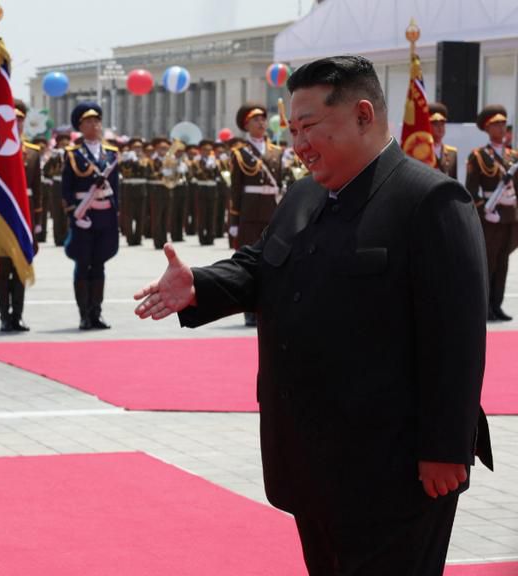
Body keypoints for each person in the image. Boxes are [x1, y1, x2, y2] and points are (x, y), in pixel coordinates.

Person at [134, 55, 493, 576]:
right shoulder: (305, 193)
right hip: (310, 460)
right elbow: (262, 264)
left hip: (393, 467)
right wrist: (199, 286)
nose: (297, 143)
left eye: (309, 128)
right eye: (291, 128)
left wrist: (446, 446)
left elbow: (457, 338)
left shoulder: (431, 201)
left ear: (363, 115)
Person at [62, 102, 119, 330]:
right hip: (83, 215)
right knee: (82, 263)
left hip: (104, 216)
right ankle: (84, 314)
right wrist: (72, 214)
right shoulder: (73, 154)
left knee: (99, 264)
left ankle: (97, 312)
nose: (94, 125)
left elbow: (116, 188)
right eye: (88, 122)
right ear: (80, 126)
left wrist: (117, 215)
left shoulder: (111, 153)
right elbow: (66, 188)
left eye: (96, 121)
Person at [229, 103, 284, 326]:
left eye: (263, 119)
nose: (261, 123)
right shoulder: (240, 153)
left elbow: (280, 183)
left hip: (271, 211)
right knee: (250, 262)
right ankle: (249, 309)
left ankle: (268, 305)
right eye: (256, 120)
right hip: (249, 214)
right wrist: (233, 221)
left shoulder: (277, 151)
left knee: (271, 261)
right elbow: (234, 190)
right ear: (246, 125)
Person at [0, 100, 39, 332]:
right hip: (1, 220)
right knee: (3, 271)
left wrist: (38, 229)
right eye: (12, 119)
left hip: (25, 222)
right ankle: (4, 316)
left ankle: (17, 315)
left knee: (20, 269)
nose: (16, 124)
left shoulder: (34, 153)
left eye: (20, 120)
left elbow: (38, 195)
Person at [466, 104, 518, 322]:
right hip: (491, 216)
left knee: (504, 262)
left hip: (509, 217)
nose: (501, 127)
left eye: (503, 123)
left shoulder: (513, 156)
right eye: (496, 124)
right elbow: (471, 189)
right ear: (487, 128)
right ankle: (484, 305)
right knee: (489, 262)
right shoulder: (478, 156)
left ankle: (497, 305)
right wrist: (483, 210)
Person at [429, 102, 457, 179]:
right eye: (435, 124)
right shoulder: (422, 151)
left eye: (442, 124)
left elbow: (454, 181)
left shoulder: (452, 153)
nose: (440, 128)